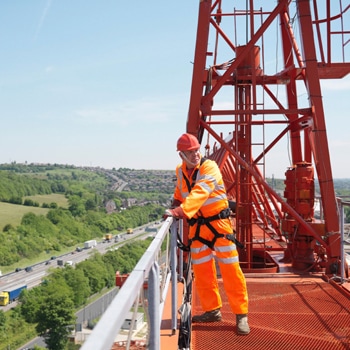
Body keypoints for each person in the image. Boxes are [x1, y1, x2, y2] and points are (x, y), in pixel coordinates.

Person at [165, 133, 250, 335]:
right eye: (190, 152)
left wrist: (179, 212)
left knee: (231, 270)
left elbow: (200, 193)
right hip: (198, 229)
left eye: (196, 150)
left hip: (219, 227)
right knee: (202, 272)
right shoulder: (180, 171)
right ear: (181, 155)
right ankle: (212, 311)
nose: (195, 155)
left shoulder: (209, 167)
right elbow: (180, 194)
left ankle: (241, 315)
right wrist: (174, 206)